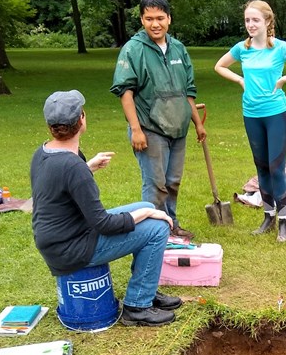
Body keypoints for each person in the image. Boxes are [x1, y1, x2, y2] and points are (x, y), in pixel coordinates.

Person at [31, 90, 182, 327]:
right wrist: (150, 214)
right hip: (71, 249)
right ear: (82, 119)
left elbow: (60, 187)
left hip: (61, 238)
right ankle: (137, 307)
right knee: (157, 227)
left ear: (51, 126)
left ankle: (147, 289)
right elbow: (104, 224)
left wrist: (87, 167)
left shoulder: (43, 153)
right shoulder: (72, 166)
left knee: (145, 204)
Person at [214, 0, 286, 242]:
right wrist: (240, 81)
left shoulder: (280, 48)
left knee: (276, 168)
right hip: (251, 114)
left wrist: (284, 80)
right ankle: (267, 216)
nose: (250, 25)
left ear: (267, 22)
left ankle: (283, 221)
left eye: (255, 20)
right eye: (247, 20)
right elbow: (219, 66)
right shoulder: (242, 48)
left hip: (276, 115)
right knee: (261, 166)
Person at [111, 0, 205, 240]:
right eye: (149, 18)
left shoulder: (179, 49)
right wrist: (136, 129)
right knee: (155, 185)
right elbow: (125, 93)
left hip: (178, 128)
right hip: (149, 129)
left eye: (160, 18)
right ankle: (155, 234)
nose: (155, 24)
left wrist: (197, 123)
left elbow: (188, 92)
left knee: (172, 182)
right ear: (142, 20)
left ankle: (172, 225)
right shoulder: (133, 50)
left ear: (169, 19)